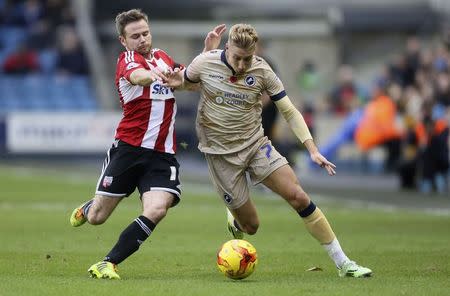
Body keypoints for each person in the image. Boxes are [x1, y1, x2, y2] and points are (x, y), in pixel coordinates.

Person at [164, 24, 372, 278]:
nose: (242, 65)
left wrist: (313, 149)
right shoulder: (205, 62)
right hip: (220, 156)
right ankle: (235, 218)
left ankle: (344, 263)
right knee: (251, 227)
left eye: (247, 59)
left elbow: (289, 111)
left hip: (255, 145)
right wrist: (180, 81)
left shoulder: (262, 69)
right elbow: (189, 82)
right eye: (237, 58)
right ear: (227, 47)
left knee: (298, 196)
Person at [68, 9, 225, 280]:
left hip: (162, 155)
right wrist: (154, 76)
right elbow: (137, 77)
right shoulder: (127, 60)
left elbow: (188, 82)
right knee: (97, 218)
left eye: (145, 33)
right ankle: (90, 206)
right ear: (123, 40)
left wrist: (207, 54)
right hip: (129, 150)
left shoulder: (163, 57)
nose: (142, 39)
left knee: (157, 209)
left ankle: (108, 263)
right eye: (135, 36)